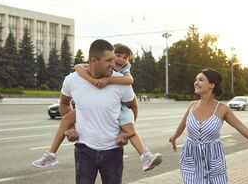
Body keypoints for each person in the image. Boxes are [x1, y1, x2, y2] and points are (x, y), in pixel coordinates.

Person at [32, 43, 162, 172]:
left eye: (125, 57)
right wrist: (92, 80)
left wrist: (108, 80)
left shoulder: (124, 70)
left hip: (119, 108)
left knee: (129, 129)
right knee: (66, 119)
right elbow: (78, 67)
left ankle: (145, 156)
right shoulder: (82, 74)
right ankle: (51, 154)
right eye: (117, 56)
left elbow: (129, 81)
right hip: (90, 116)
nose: (121, 60)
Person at [61, 39, 135, 184]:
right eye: (109, 60)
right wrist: (71, 127)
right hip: (84, 151)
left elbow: (133, 107)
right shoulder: (73, 80)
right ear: (94, 60)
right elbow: (64, 103)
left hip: (112, 152)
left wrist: (124, 131)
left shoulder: (119, 82)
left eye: (115, 59)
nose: (114, 64)